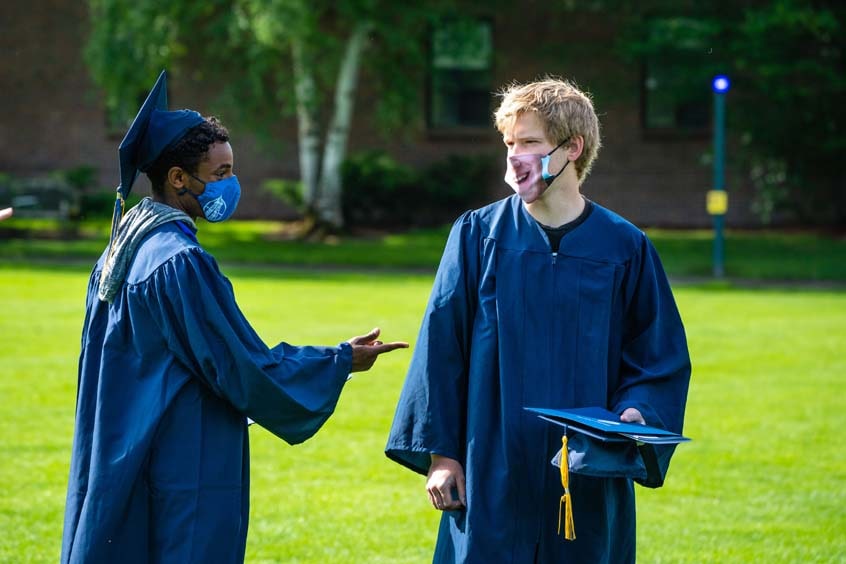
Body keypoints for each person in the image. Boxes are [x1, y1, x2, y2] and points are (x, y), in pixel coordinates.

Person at [61, 71, 407, 564]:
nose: (231, 185)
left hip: (121, 446)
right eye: (219, 174)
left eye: (231, 171)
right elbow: (240, 364)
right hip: (180, 456)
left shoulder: (122, 247)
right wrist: (338, 361)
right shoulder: (179, 261)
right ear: (178, 178)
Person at [385, 78, 691, 563]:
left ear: (573, 148)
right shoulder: (478, 235)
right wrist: (441, 456)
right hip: (491, 463)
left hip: (586, 470)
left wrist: (639, 412)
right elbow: (442, 349)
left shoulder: (624, 248)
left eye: (529, 143)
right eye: (509, 143)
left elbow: (657, 357)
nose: (515, 157)